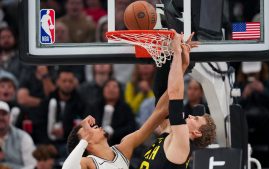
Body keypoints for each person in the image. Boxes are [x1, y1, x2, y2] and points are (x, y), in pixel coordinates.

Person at [62, 30, 208, 169]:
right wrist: (83, 140)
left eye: (90, 128)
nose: (93, 127)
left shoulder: (123, 148)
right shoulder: (88, 162)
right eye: (88, 131)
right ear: (86, 144)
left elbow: (160, 112)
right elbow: (67, 167)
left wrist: (180, 68)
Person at [138, 32, 216, 169]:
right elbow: (161, 105)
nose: (191, 115)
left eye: (196, 119)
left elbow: (175, 95)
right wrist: (182, 66)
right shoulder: (173, 136)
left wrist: (177, 53)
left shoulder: (182, 143)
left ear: (196, 133)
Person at [0, 101, 37, 169]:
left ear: (9, 117)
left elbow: (32, 165)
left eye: (4, 114)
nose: (1, 118)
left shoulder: (23, 137)